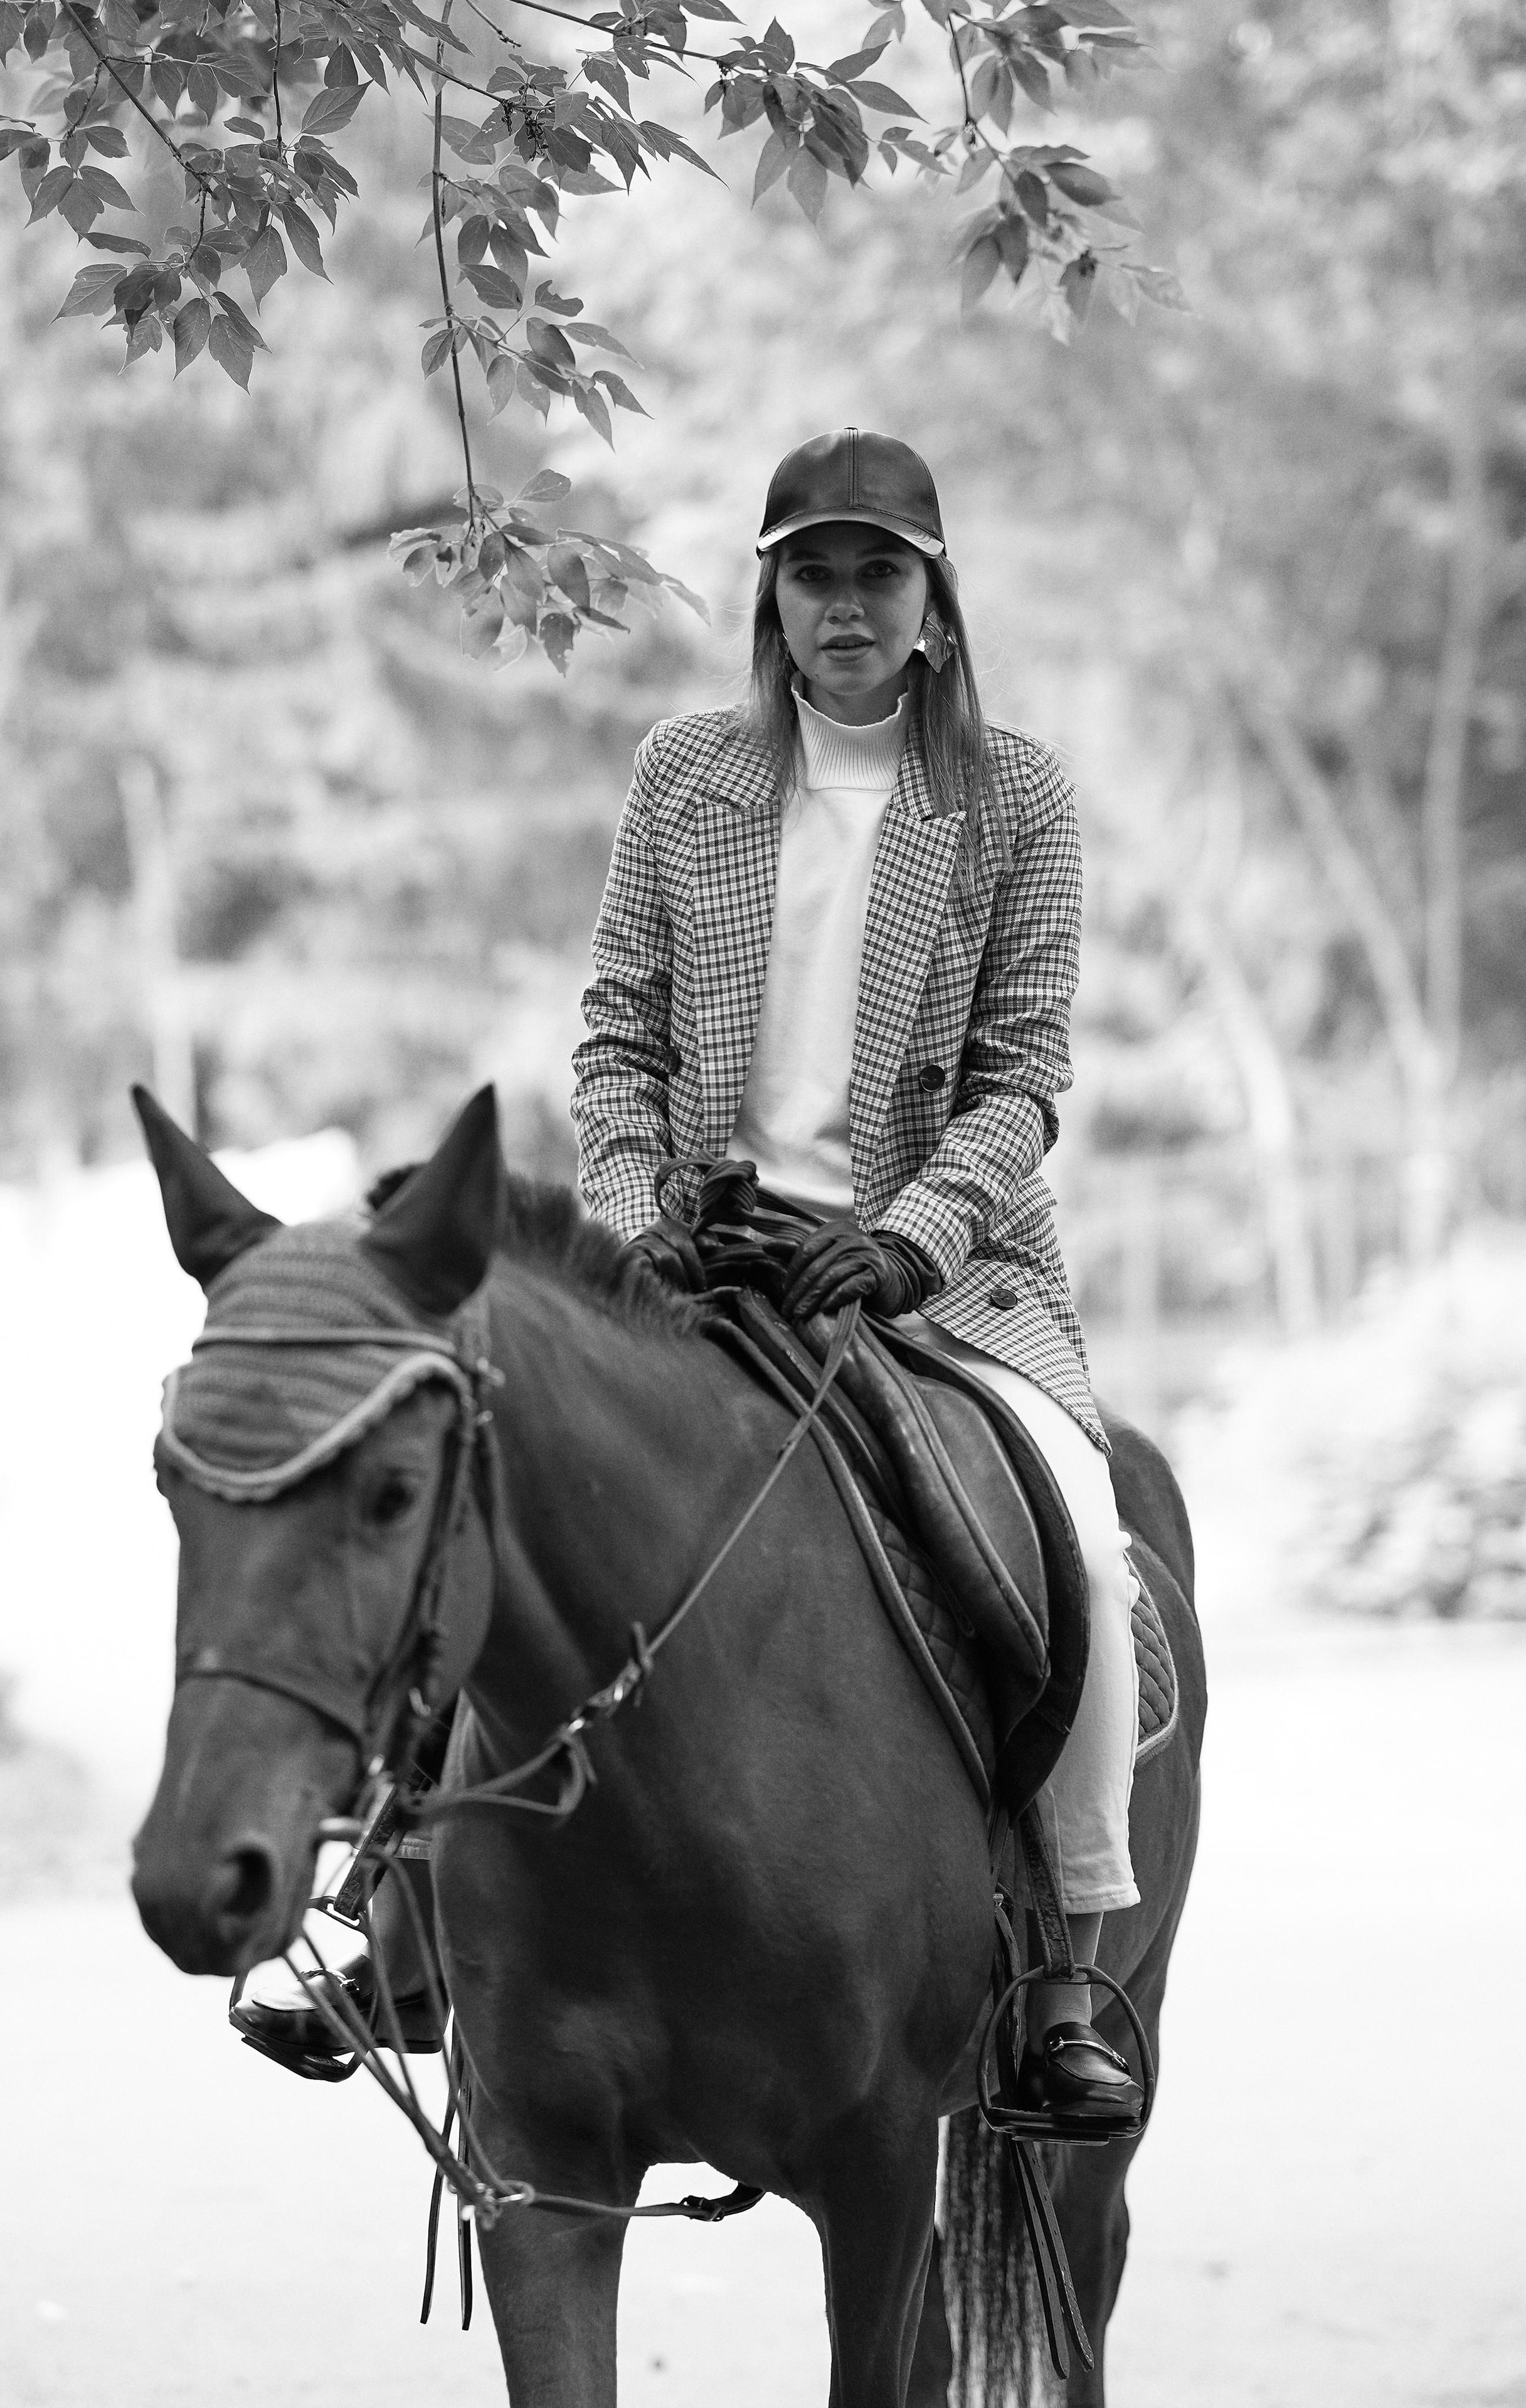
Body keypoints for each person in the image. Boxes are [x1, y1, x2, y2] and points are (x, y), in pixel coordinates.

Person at [570, 427, 1142, 2123]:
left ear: (933, 604)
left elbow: (1023, 1076)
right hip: (699, 1259)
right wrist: (622, 1214)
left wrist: (905, 1240)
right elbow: (615, 1044)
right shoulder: (683, 778)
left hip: (937, 1276)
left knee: (1088, 1556)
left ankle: (1064, 1975)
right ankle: (415, 1917)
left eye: (876, 572)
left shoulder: (1013, 796)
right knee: (498, 1482)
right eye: (811, 573)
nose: (843, 603)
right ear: (772, 599)